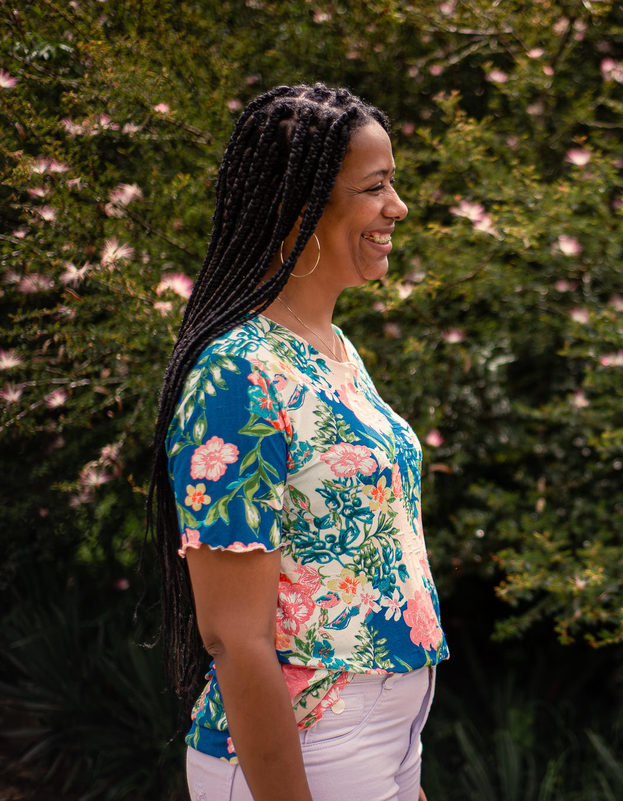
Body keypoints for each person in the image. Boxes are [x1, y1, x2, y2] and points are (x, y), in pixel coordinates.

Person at [148, 84, 449, 801]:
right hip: (309, 739)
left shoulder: (332, 347)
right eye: (375, 187)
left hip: (378, 735)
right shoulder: (236, 375)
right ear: (299, 209)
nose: (398, 207)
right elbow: (236, 638)